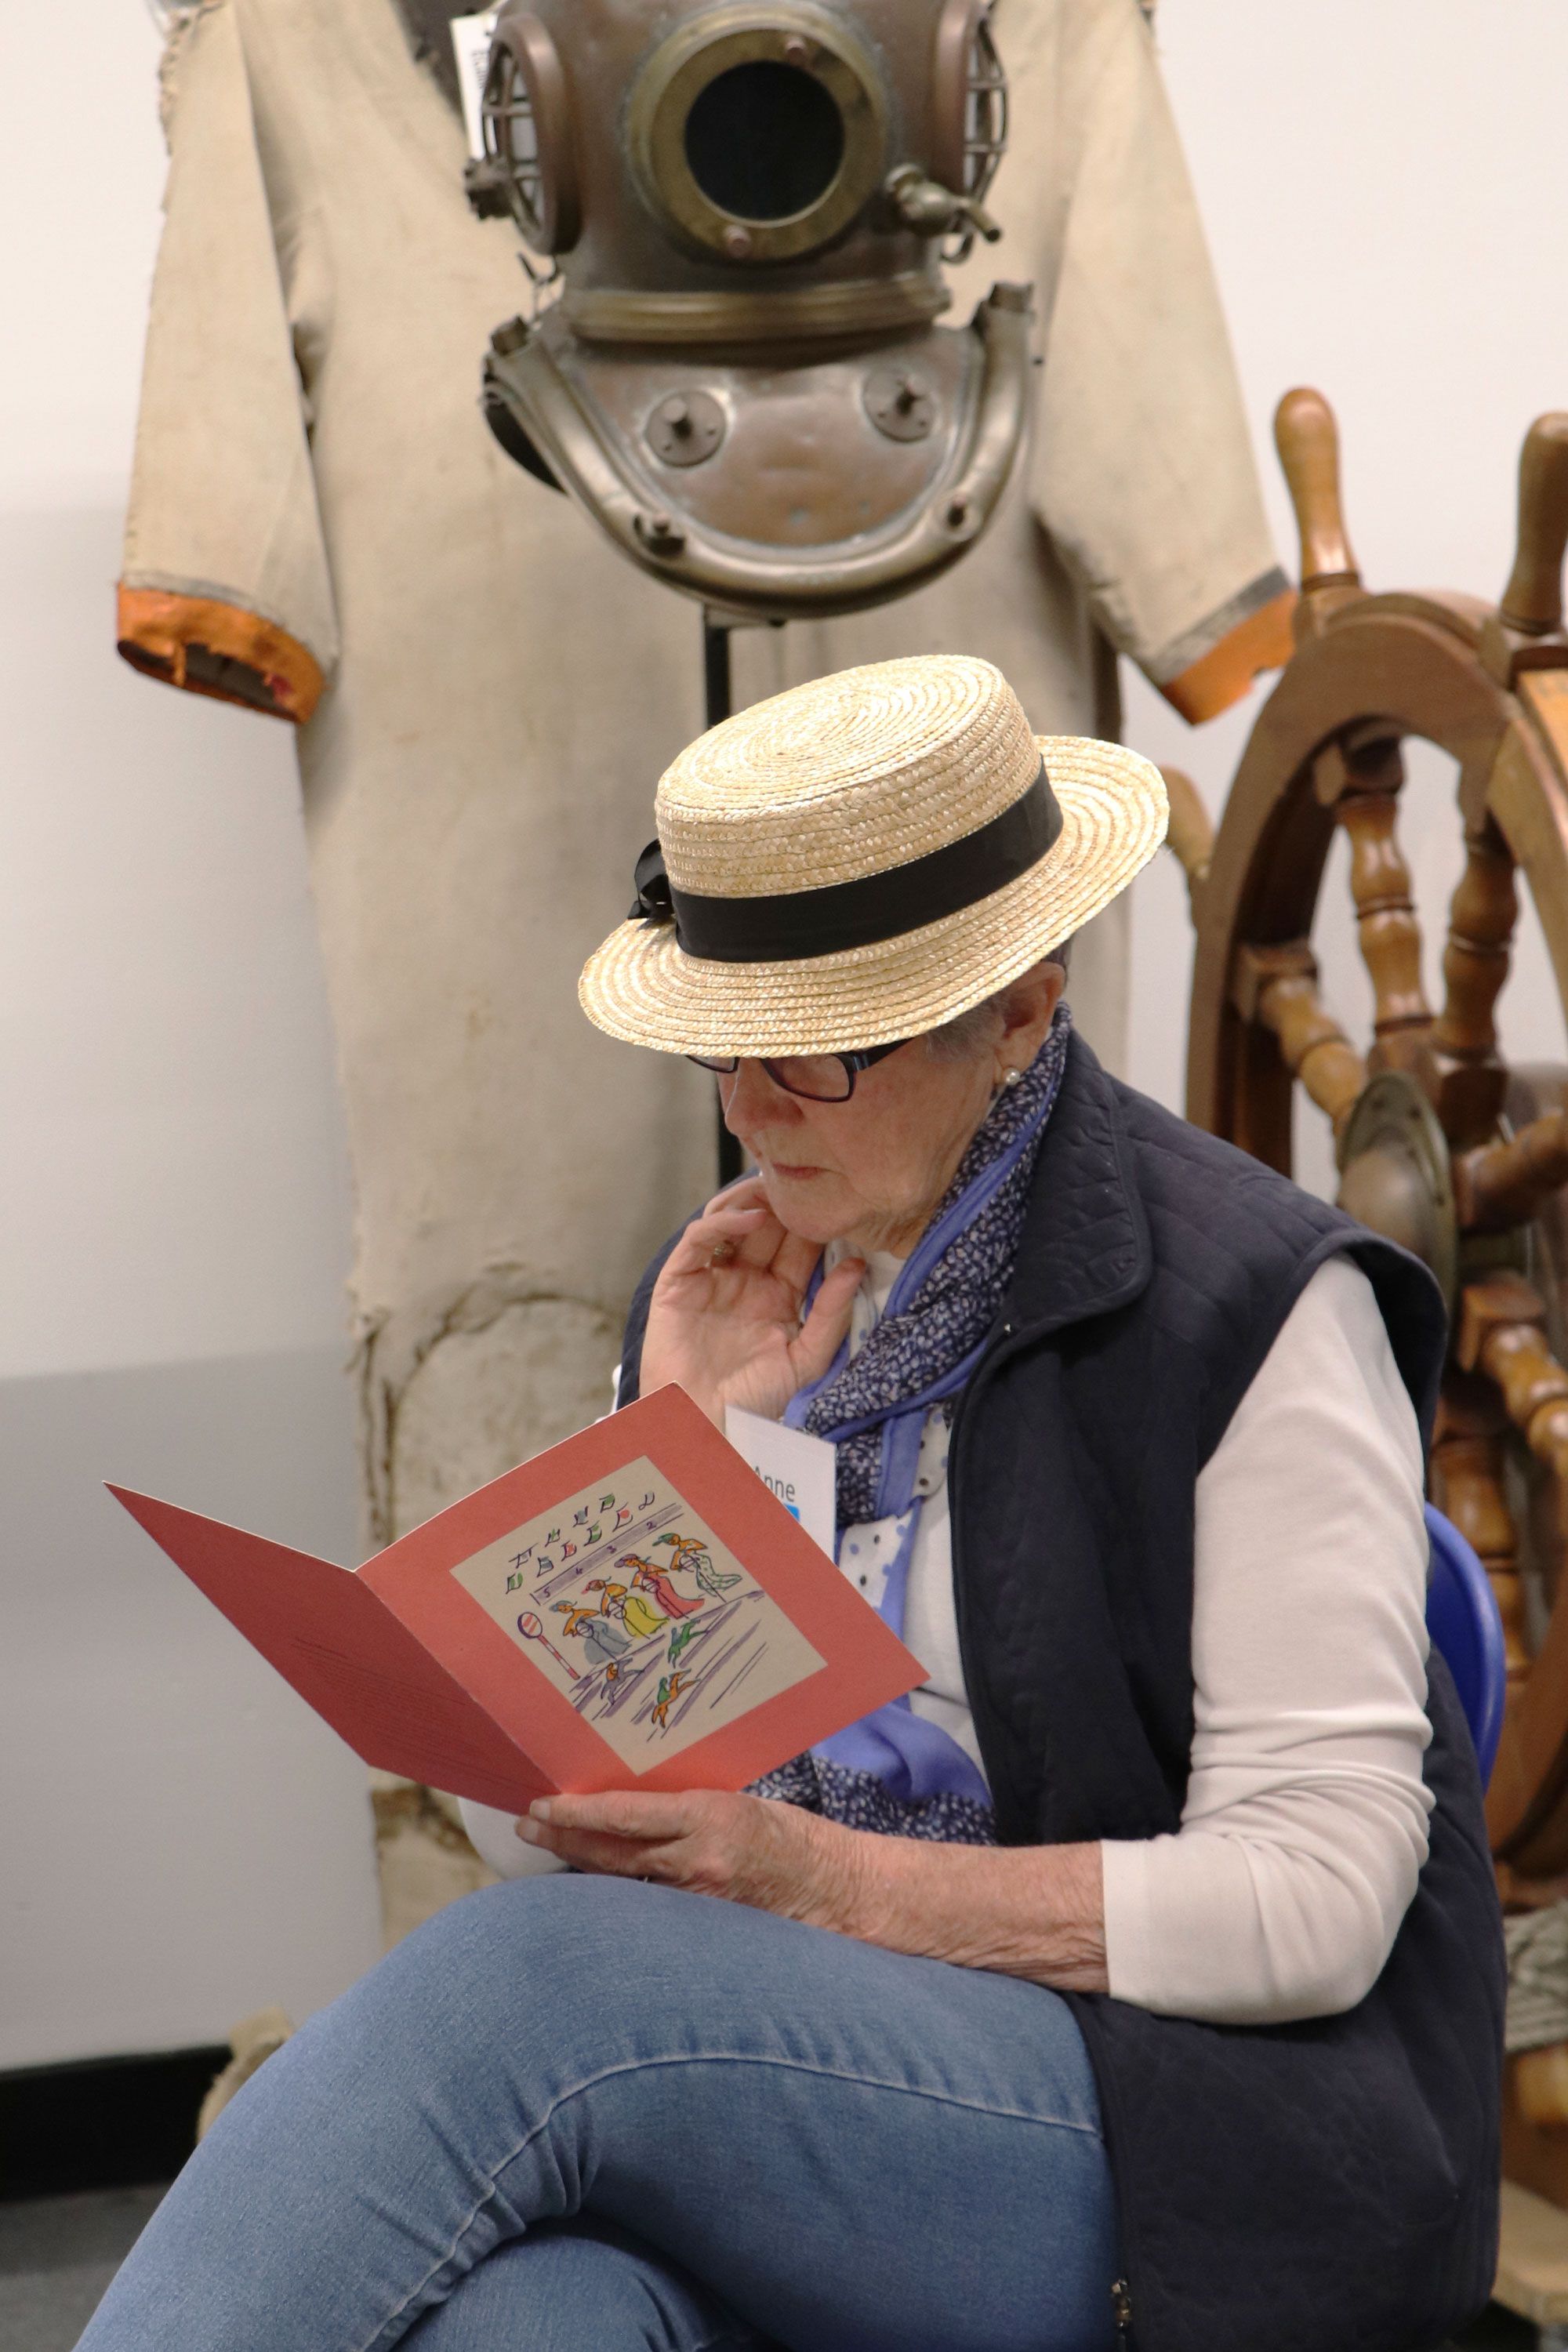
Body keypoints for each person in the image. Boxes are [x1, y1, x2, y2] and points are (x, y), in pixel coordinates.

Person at [78, 656, 1501, 2352]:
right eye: (725, 1049)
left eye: (816, 1053)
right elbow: (538, 1823)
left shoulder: (1251, 1308)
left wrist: (828, 1888)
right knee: (540, 2321)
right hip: (814, 2093)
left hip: (1191, 2132)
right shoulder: (760, 1283)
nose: (752, 1113)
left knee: (521, 1988)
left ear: (1021, 1007)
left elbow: (1319, 1901)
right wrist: (677, 1455)